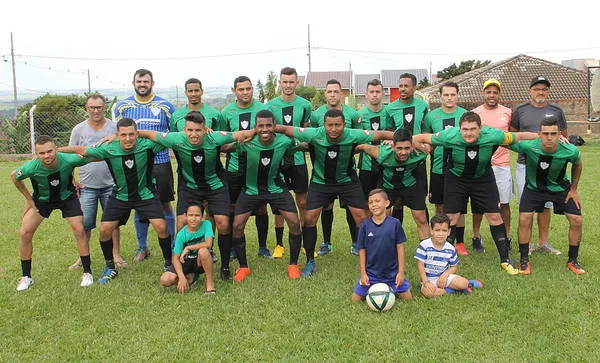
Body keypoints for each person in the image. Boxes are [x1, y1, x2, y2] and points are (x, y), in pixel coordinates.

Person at [413, 112, 538, 275]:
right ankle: (443, 260)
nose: (469, 133)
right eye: (465, 129)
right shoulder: (449, 135)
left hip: (483, 177)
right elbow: (420, 138)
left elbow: (519, 135)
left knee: (494, 216)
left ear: (481, 129)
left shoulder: (494, 135)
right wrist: (416, 147)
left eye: (473, 129)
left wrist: (541, 136)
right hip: (456, 178)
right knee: (451, 218)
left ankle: (505, 260)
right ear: (459, 129)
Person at [137, 111, 255, 282]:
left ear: (204, 129)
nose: (194, 134)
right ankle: (185, 264)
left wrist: (257, 131)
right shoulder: (175, 138)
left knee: (223, 223)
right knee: (182, 222)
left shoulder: (214, 137)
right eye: (190, 130)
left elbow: (241, 134)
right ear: (184, 130)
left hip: (215, 186)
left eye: (198, 130)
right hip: (190, 186)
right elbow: (148, 134)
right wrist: (118, 136)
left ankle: (224, 267)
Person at [275, 109, 394, 277]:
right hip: (321, 182)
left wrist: (404, 139)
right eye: (329, 125)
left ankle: (370, 260)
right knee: (309, 218)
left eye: (338, 125)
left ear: (344, 125)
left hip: (347, 181)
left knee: (363, 217)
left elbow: (380, 134)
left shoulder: (354, 134)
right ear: (323, 125)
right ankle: (310, 261)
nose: (333, 129)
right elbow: (286, 129)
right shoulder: (314, 134)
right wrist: (265, 129)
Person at [59, 118, 172, 284]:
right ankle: (110, 267)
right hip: (120, 195)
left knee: (161, 227)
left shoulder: (148, 145)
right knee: (105, 230)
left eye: (132, 134)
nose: (128, 138)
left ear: (137, 134)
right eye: (123, 135)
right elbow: (82, 150)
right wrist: (56, 150)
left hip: (146, 195)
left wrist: (146, 134)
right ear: (117, 135)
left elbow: (171, 138)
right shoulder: (109, 148)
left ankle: (169, 263)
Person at [223, 110, 303, 281]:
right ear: (255, 127)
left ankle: (293, 265)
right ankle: (243, 267)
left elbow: (302, 145)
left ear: (275, 126)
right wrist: (244, 135)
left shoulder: (284, 141)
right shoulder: (246, 142)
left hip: (276, 188)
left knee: (295, 222)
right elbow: (224, 147)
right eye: (260, 126)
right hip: (251, 189)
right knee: (237, 225)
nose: (264, 129)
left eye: (268, 125)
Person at [12, 135, 92, 290]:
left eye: (50, 151)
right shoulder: (31, 167)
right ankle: (26, 277)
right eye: (42, 153)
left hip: (67, 197)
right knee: (25, 232)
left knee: (79, 230)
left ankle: (87, 272)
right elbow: (14, 177)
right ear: (36, 154)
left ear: (56, 149)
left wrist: (73, 179)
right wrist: (29, 199)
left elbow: (88, 155)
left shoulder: (68, 159)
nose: (46, 156)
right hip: (42, 200)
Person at [114, 69, 176, 263]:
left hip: (160, 162)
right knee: (139, 205)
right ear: (133, 83)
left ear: (152, 83)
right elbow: (119, 135)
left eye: (146, 81)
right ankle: (143, 247)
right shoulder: (123, 107)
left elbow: (171, 134)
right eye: (139, 81)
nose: (142, 84)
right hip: (135, 165)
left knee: (165, 203)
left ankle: (173, 246)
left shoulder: (166, 106)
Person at [509, 116, 584, 275]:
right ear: (539, 134)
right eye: (545, 133)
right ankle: (524, 260)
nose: (549, 137)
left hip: (559, 188)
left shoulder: (570, 150)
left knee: (577, 220)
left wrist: (574, 189)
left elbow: (578, 163)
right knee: (524, 218)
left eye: (553, 133)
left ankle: (573, 260)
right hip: (534, 188)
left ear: (560, 134)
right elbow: (505, 141)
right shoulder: (529, 146)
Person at [510, 76, 568, 255]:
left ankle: (544, 242)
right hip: (525, 165)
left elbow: (563, 136)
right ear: (530, 91)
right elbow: (513, 136)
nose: (540, 92)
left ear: (548, 91)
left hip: (550, 166)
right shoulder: (520, 110)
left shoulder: (557, 111)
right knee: (526, 205)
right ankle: (526, 245)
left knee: (546, 204)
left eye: (544, 89)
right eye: (537, 89)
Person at [67, 93, 125, 271]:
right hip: (87, 186)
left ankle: (116, 255)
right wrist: (72, 180)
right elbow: (70, 156)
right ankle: (82, 257)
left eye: (99, 107)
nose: (95, 111)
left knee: (112, 223)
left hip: (111, 184)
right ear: (87, 109)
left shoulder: (114, 127)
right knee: (85, 224)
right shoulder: (79, 130)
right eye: (92, 107)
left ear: (104, 107)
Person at [310, 79, 362, 256]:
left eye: (336, 91)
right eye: (329, 91)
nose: (332, 94)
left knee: (351, 207)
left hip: (346, 169)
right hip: (323, 171)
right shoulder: (316, 115)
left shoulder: (353, 114)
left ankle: (356, 242)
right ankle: (326, 242)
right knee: (326, 207)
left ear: (341, 93)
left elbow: (357, 139)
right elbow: (312, 140)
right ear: (325, 93)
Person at [221, 76, 271, 258]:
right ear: (234, 91)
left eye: (248, 88)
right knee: (233, 208)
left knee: (261, 208)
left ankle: (262, 247)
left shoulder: (263, 110)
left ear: (252, 90)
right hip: (234, 168)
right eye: (241, 89)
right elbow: (223, 142)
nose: (245, 92)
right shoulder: (226, 112)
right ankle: (234, 247)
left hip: (258, 167)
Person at [266, 67, 311, 259]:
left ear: (297, 83)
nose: (288, 85)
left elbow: (307, 130)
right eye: (284, 82)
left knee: (302, 202)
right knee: (279, 204)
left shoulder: (305, 105)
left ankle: (303, 243)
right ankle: (279, 244)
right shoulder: (270, 106)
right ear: (280, 82)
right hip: (278, 159)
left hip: (298, 159)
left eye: (291, 82)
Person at [354, 128, 430, 241]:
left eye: (407, 148)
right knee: (382, 219)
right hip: (387, 186)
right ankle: (384, 249)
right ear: (393, 146)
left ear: (412, 146)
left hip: (411, 185)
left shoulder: (421, 152)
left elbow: (434, 140)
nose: (403, 152)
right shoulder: (380, 152)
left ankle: (428, 254)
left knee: (422, 219)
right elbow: (362, 147)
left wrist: (415, 141)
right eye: (399, 148)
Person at [423, 81, 468, 255]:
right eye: (446, 95)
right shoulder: (431, 117)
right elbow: (427, 139)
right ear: (440, 96)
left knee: (459, 207)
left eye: (452, 94)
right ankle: (439, 239)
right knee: (440, 206)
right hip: (438, 168)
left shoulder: (465, 115)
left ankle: (460, 242)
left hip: (459, 168)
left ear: (457, 95)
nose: (449, 98)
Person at [471, 79, 514, 253]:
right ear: (483, 93)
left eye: (495, 92)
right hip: (481, 164)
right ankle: (476, 236)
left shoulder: (508, 112)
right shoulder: (475, 113)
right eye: (488, 92)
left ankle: (507, 236)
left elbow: (513, 135)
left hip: (502, 164)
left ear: (499, 94)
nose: (491, 95)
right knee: (478, 204)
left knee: (503, 203)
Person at [351, 189, 412, 301]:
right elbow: (362, 250)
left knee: (408, 298)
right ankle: (375, 288)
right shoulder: (364, 226)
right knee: (355, 299)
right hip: (371, 275)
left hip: (392, 275)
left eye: (377, 201)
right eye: (371, 202)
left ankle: (391, 289)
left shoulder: (395, 224)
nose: (374, 205)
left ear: (387, 203)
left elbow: (400, 248)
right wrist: (363, 274)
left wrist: (401, 272)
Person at [387, 73, 430, 228]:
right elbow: (388, 133)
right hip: (397, 159)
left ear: (414, 87)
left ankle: (427, 235)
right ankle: (397, 234)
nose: (403, 89)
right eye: (401, 86)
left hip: (417, 160)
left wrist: (420, 145)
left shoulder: (423, 106)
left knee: (420, 199)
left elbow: (426, 131)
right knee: (396, 201)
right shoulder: (390, 108)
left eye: (406, 86)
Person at [415, 214, 483, 297]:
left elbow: (454, 266)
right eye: (437, 230)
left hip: (445, 277)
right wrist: (426, 282)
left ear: (449, 232)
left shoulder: (450, 248)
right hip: (429, 279)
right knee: (427, 293)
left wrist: (444, 275)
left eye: (444, 230)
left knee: (463, 283)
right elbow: (420, 265)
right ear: (431, 230)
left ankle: (468, 284)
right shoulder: (424, 245)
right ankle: (449, 290)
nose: (440, 234)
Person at [159, 203, 215, 294]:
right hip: (186, 261)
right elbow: (175, 258)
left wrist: (189, 247)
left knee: (203, 251)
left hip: (200, 260)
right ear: (185, 216)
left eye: (197, 215)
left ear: (202, 216)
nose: (193, 219)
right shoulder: (181, 234)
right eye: (190, 215)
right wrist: (181, 277)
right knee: (165, 280)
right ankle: (190, 278)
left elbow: (208, 244)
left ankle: (210, 286)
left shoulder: (206, 224)